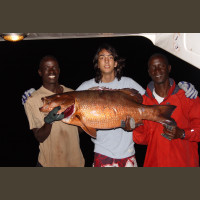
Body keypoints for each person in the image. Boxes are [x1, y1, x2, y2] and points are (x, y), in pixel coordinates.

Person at [22, 45, 198, 167]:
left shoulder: (129, 83)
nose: (106, 61)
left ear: (115, 62)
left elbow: (153, 96)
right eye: (101, 57)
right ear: (97, 63)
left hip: (128, 153)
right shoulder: (83, 88)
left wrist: (182, 87)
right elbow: (63, 97)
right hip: (101, 154)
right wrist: (35, 94)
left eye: (110, 57)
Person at [132, 53, 200, 167]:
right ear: (149, 72)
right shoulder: (143, 102)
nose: (157, 70)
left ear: (169, 68)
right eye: (153, 67)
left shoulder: (187, 96)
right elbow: (143, 139)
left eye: (161, 66)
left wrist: (183, 133)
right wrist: (132, 128)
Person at [24, 55, 84, 167]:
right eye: (47, 68)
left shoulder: (72, 94)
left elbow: (78, 131)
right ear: (40, 72)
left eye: (55, 67)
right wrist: (49, 121)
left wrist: (86, 119)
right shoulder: (32, 100)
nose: (51, 70)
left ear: (59, 71)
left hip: (75, 162)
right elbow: (39, 137)